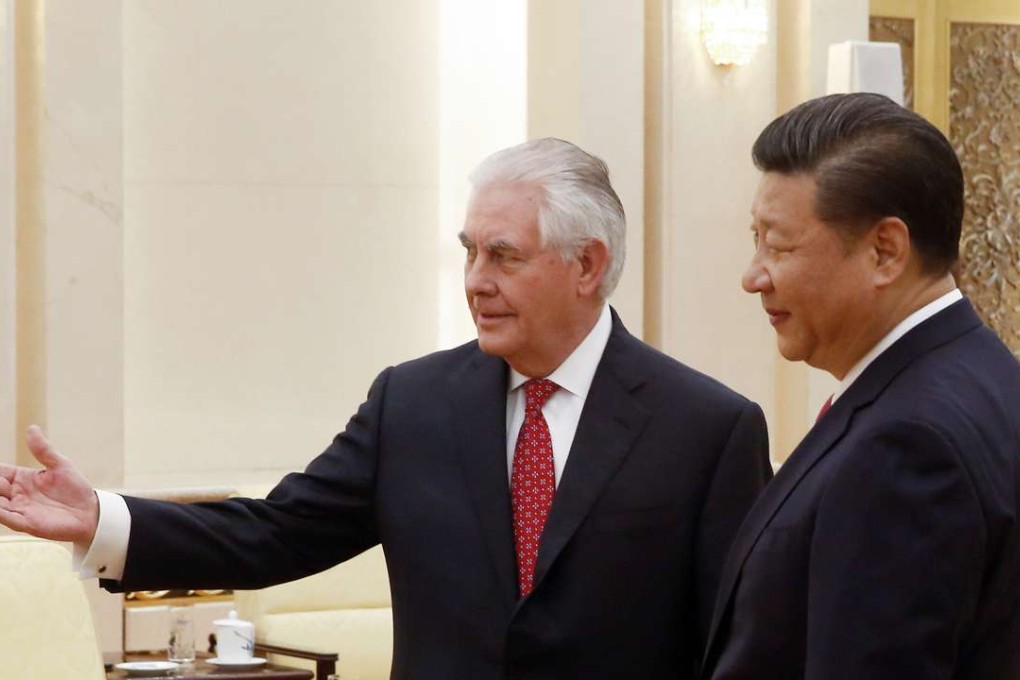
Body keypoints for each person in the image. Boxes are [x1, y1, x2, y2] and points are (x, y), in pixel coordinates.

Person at [0, 138, 771, 679]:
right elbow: (276, 533)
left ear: (587, 265)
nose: (474, 280)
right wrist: (103, 518)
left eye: (503, 255)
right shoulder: (413, 403)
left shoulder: (706, 429)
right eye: (468, 251)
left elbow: (739, 642)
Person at [701, 93, 1020, 680]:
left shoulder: (905, 446)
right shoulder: (982, 374)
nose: (753, 276)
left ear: (885, 251)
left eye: (778, 244)